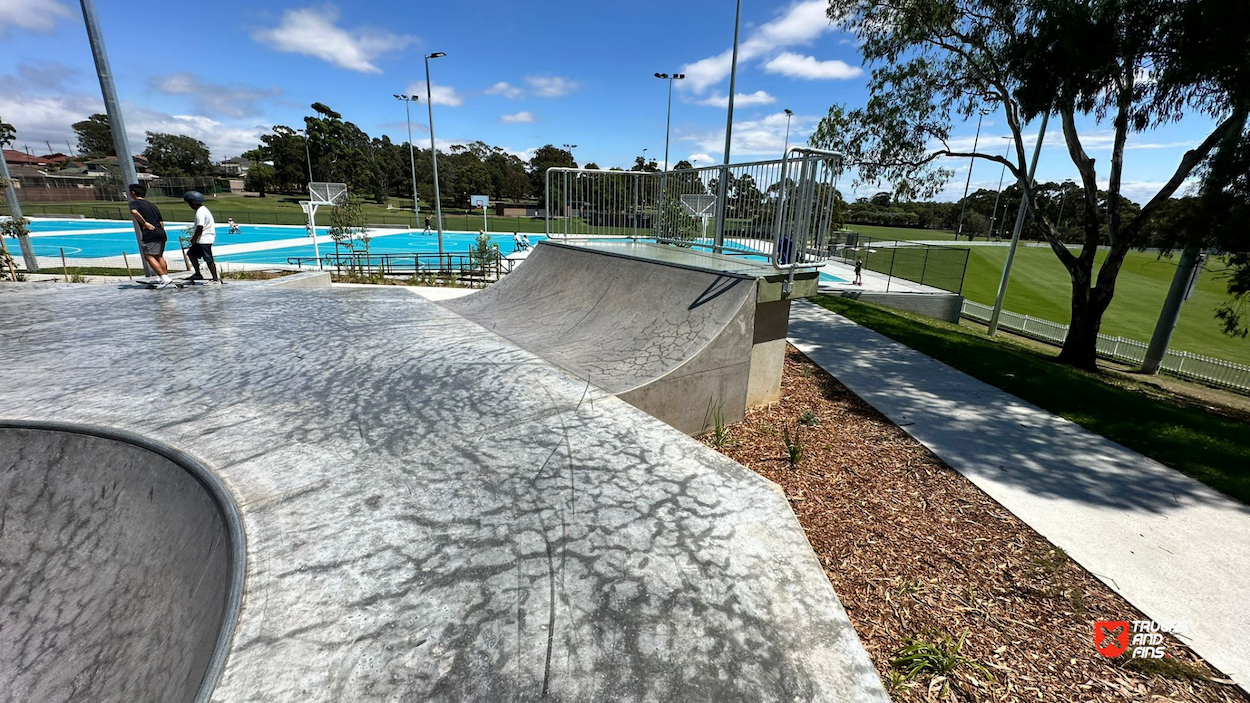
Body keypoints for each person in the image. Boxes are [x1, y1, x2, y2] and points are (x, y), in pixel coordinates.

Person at [128, 183, 172, 288]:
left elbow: (134, 212)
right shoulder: (152, 205)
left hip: (150, 233)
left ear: (133, 193)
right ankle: (164, 276)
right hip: (160, 232)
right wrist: (161, 231)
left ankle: (164, 277)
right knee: (159, 256)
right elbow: (161, 221)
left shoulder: (135, 203)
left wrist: (144, 223)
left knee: (148, 256)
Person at [183, 191, 220, 283]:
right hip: (202, 239)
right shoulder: (203, 210)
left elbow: (200, 227)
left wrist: (194, 238)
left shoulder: (200, 212)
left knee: (208, 258)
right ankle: (198, 274)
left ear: (192, 203)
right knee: (191, 254)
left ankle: (215, 278)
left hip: (204, 239)